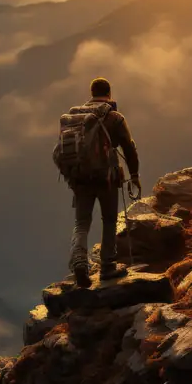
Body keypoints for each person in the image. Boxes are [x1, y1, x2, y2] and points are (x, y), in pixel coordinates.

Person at [53, 77, 141, 288]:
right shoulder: (114, 118)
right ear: (109, 94)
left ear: (91, 94)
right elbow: (129, 148)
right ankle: (108, 267)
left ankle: (79, 262)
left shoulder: (75, 118)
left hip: (79, 179)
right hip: (106, 179)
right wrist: (135, 175)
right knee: (109, 219)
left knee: (81, 223)